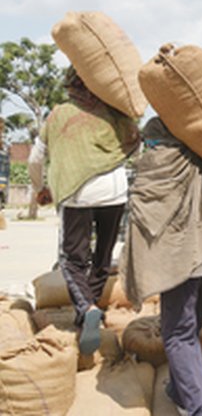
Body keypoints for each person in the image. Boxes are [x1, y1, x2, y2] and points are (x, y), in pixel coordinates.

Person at [120, 117, 202, 416]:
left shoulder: (157, 162)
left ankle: (200, 409)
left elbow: (145, 212)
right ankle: (177, 387)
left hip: (181, 263)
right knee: (191, 327)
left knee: (176, 334)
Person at [28, 66, 139, 354]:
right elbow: (133, 142)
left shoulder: (58, 114)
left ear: (71, 86)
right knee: (102, 257)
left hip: (78, 194)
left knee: (72, 260)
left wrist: (40, 187)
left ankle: (87, 307)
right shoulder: (113, 112)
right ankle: (85, 314)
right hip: (115, 192)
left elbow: (35, 158)